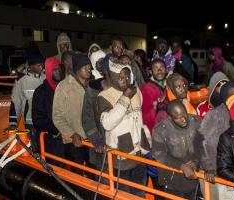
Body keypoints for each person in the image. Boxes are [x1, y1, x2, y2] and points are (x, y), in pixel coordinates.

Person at [97, 60, 151, 197]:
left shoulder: (136, 91)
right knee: (123, 196)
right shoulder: (104, 96)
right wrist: (125, 98)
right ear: (112, 77)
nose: (125, 80)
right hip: (121, 159)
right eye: (121, 77)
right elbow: (107, 123)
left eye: (127, 76)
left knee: (139, 194)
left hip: (139, 155)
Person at [152, 100, 204, 199]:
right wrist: (182, 167)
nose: (184, 120)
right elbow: (159, 155)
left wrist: (196, 162)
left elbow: (203, 146)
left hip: (193, 177)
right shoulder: (161, 130)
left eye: (185, 115)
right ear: (170, 117)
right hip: (172, 180)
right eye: (178, 118)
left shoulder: (196, 122)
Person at [52, 53, 91, 174]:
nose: (89, 70)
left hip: (92, 140)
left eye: (90, 67)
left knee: (93, 176)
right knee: (77, 177)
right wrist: (72, 134)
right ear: (77, 68)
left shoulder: (91, 85)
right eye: (86, 67)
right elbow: (57, 116)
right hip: (74, 142)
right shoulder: (63, 87)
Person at [9, 51, 45, 151]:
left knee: (47, 151)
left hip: (45, 121)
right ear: (31, 66)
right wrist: (13, 123)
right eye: (38, 65)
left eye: (42, 64)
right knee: (35, 150)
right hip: (30, 123)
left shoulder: (45, 77)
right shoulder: (21, 80)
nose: (41, 67)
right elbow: (16, 101)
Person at [32, 57, 65, 164]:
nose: (58, 72)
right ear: (49, 71)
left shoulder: (65, 89)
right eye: (54, 69)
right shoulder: (41, 92)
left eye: (59, 68)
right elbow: (38, 120)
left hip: (66, 139)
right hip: (49, 141)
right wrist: (57, 129)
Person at [140, 59, 167, 133]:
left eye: (162, 67)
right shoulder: (146, 89)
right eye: (155, 68)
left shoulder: (170, 84)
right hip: (157, 129)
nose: (159, 70)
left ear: (166, 70)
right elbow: (147, 117)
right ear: (150, 72)